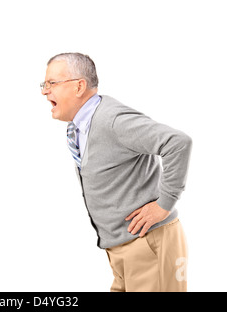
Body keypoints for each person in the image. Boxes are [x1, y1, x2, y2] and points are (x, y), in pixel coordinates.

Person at [40, 53, 192, 292]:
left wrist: (165, 203)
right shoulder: (79, 126)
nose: (44, 91)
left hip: (148, 244)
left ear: (79, 86)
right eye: (44, 84)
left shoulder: (112, 121)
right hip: (120, 252)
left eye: (52, 83)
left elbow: (177, 143)